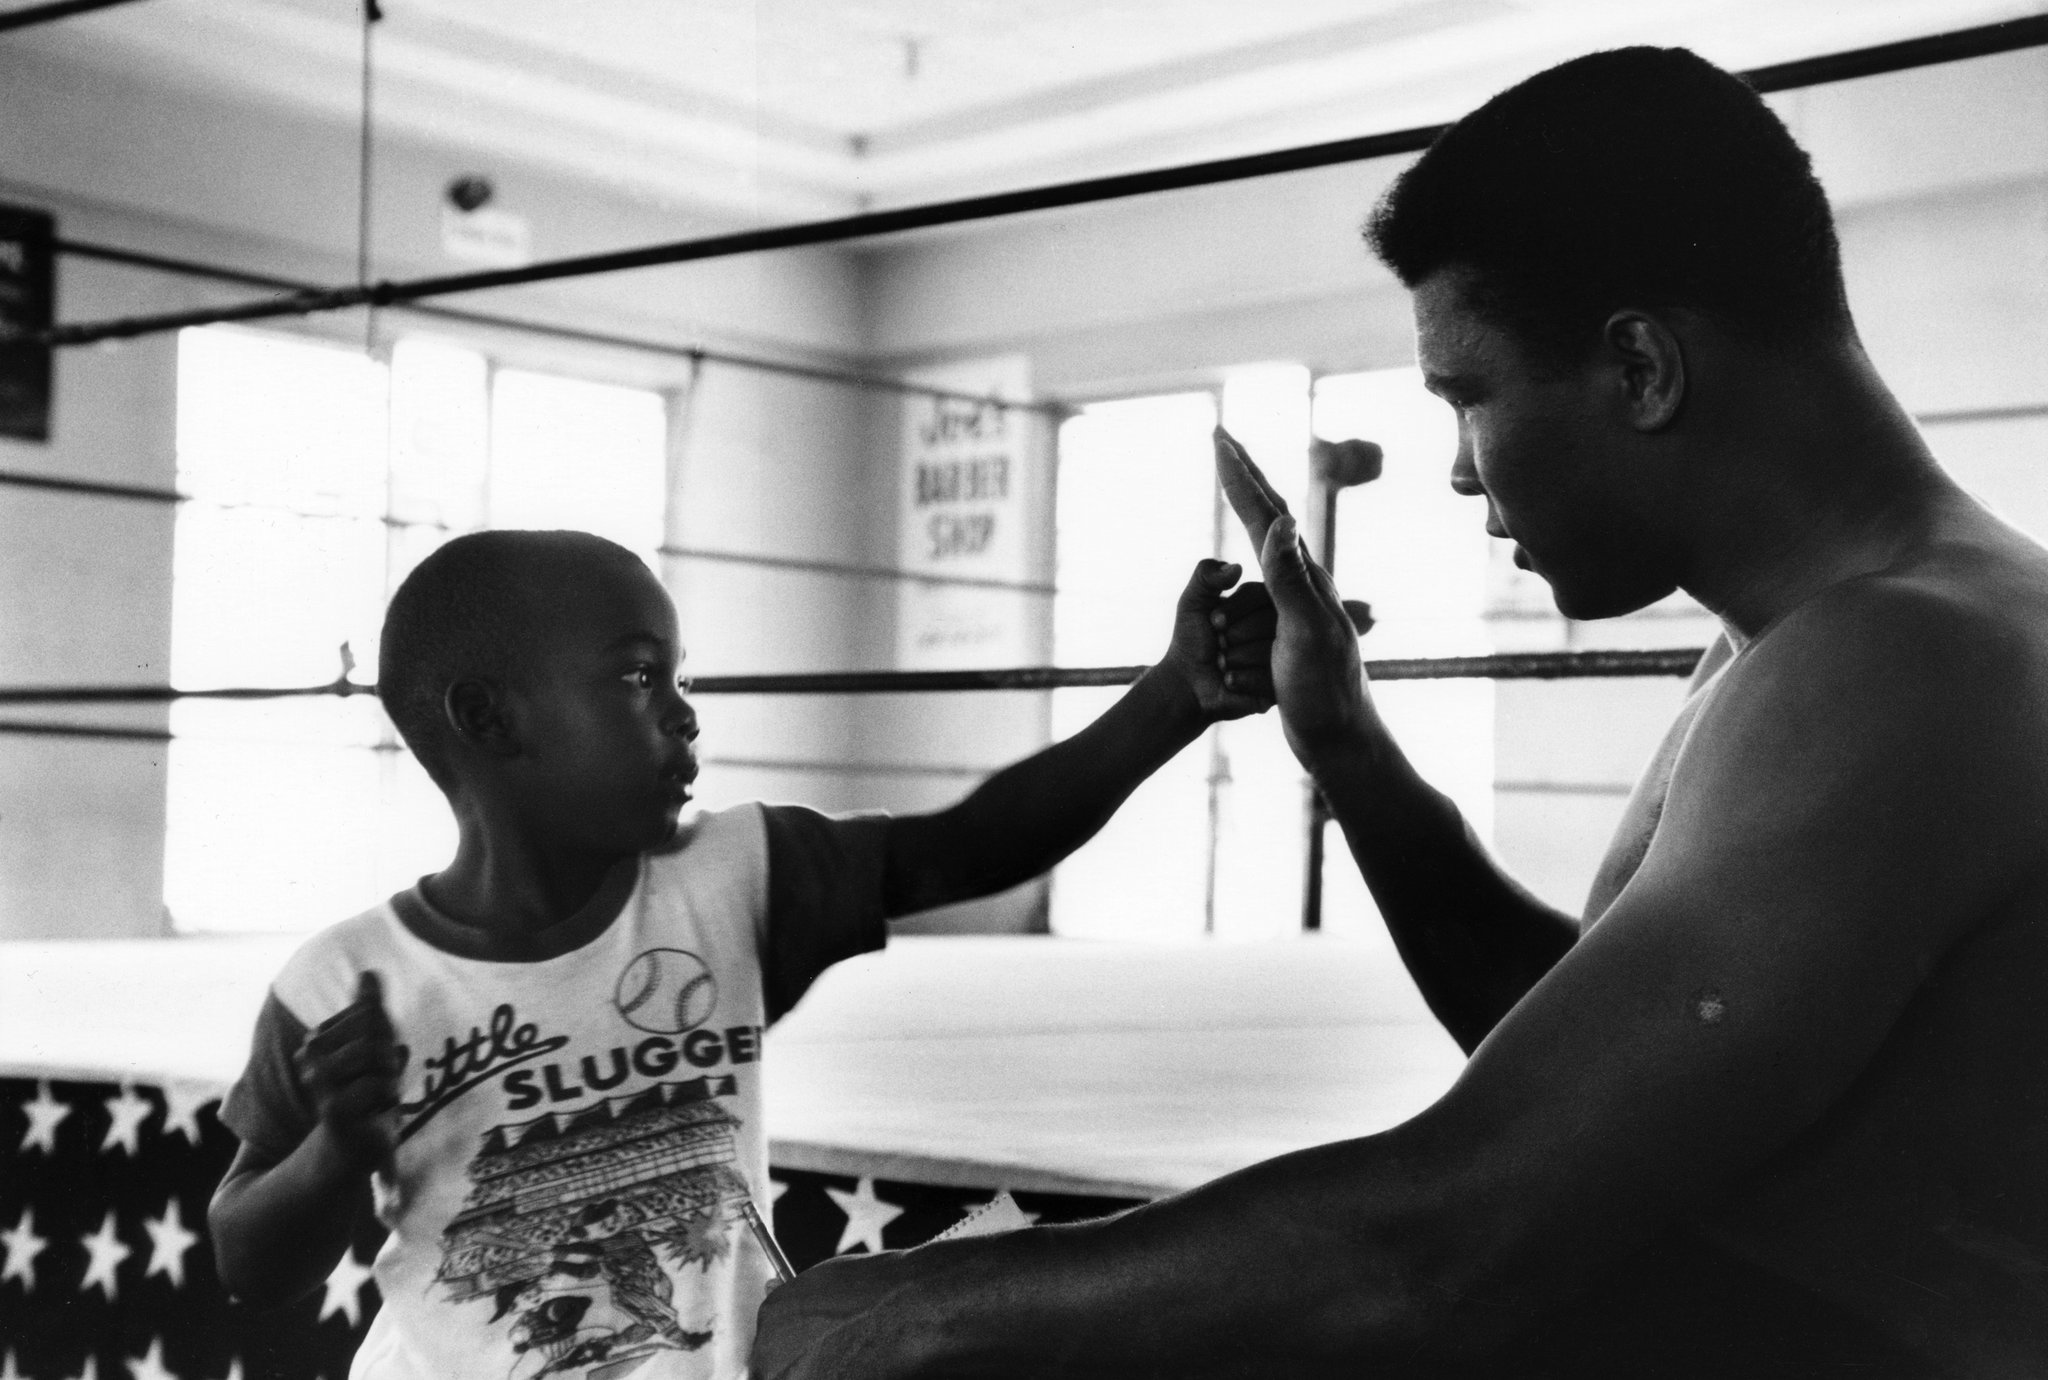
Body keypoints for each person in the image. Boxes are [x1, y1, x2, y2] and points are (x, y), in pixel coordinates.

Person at [751, 45, 2048, 1378]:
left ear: (1642, 369)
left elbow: (1457, 1234)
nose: (1455, 474)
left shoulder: (1903, 661)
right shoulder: (1823, 639)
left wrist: (918, 1310)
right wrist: (1349, 749)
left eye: (1468, 395)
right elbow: (1587, 1085)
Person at [207, 526, 1278, 1380]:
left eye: (676, 677)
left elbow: (974, 841)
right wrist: (333, 1152)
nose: (684, 715)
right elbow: (250, 1264)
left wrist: (1171, 698)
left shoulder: (728, 879)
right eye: (636, 679)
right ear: (491, 721)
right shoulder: (342, 987)